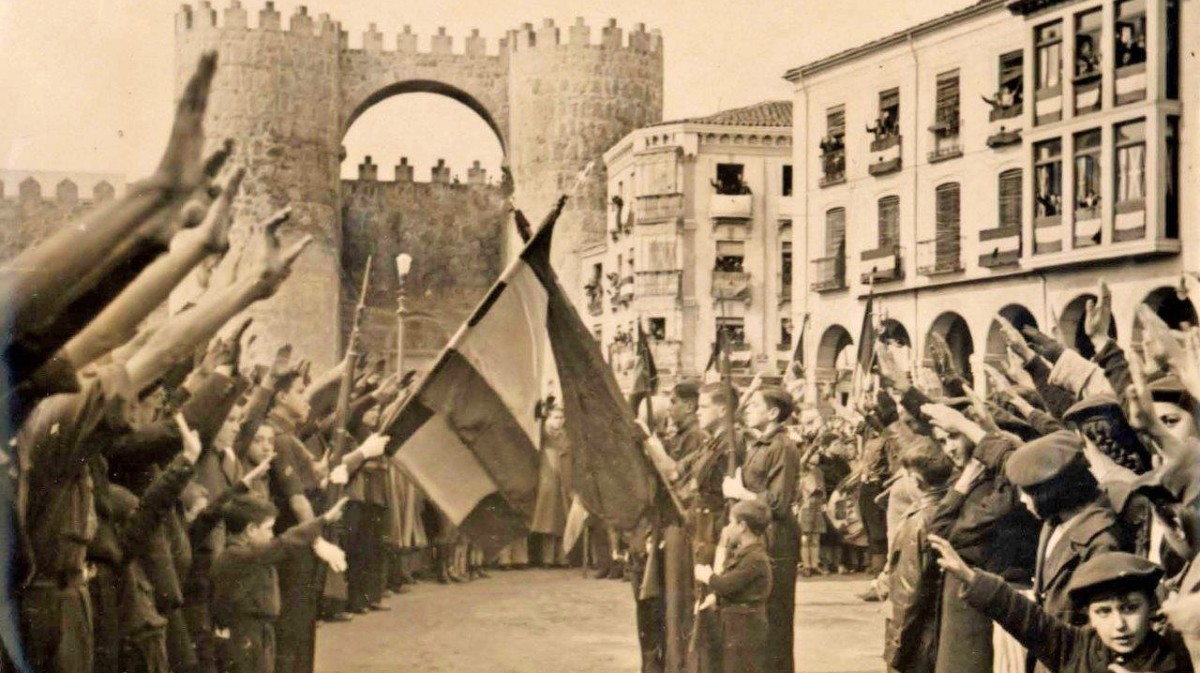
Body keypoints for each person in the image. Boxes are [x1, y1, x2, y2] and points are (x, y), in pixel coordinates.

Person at [931, 541, 1193, 673]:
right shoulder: (1076, 648)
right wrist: (972, 579)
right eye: (1104, 611)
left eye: (1130, 608)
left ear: (1151, 607)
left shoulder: (1178, 660)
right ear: (1089, 616)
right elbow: (1026, 617)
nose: (1119, 625)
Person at [211, 495, 349, 673]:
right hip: (244, 635)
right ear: (251, 529)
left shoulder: (247, 554)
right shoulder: (236, 556)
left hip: (258, 633)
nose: (271, 535)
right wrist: (323, 520)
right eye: (268, 528)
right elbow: (284, 543)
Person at [722, 386, 799, 673]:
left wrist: (741, 493)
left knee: (775, 619)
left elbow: (778, 503)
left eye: (755, 405)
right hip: (759, 538)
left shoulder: (782, 447)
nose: (748, 409)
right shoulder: (759, 444)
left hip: (776, 540)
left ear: (773, 412)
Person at [882, 437, 954, 673]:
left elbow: (908, 593)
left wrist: (895, 649)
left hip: (917, 639)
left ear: (915, 480)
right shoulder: (951, 508)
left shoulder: (918, 522)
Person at [694, 500, 773, 673]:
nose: (727, 528)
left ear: (742, 526)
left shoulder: (755, 558)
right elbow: (738, 586)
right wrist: (715, 598)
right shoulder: (747, 553)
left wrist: (707, 576)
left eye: (732, 522)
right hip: (739, 624)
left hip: (746, 627)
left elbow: (728, 584)